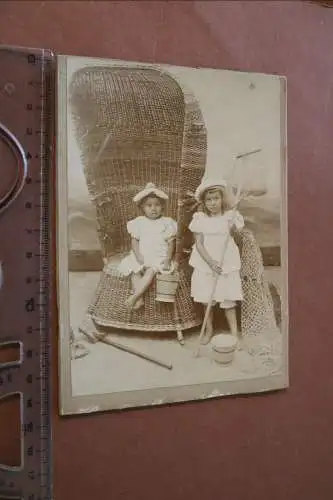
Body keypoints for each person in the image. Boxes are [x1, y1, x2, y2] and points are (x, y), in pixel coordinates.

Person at [188, 178, 244, 344]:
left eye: (216, 199)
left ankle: (234, 332)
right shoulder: (200, 219)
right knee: (207, 298)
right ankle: (209, 329)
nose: (212, 203)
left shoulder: (229, 217)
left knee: (228, 298)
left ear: (222, 199)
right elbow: (198, 244)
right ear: (204, 202)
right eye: (208, 200)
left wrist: (233, 218)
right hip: (206, 262)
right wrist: (211, 262)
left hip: (226, 260)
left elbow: (237, 233)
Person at [117, 182, 177, 310]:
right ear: (142, 208)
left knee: (150, 271)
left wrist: (167, 259)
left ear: (162, 207)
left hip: (158, 257)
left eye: (157, 205)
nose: (153, 208)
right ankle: (140, 300)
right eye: (149, 206)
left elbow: (171, 243)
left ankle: (135, 296)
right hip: (143, 256)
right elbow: (134, 241)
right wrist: (138, 256)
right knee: (135, 271)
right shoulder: (139, 222)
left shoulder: (167, 222)